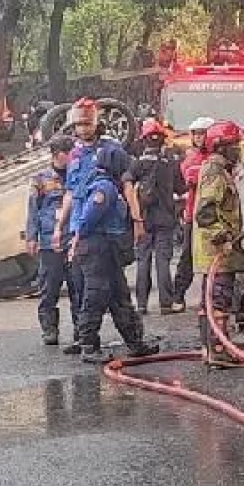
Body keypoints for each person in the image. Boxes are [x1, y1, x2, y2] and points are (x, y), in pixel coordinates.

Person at [51, 99, 139, 361]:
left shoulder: (112, 151)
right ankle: (88, 343)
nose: (82, 129)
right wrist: (61, 228)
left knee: (118, 292)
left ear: (97, 121)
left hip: (109, 231)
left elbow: (128, 185)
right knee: (93, 291)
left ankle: (135, 341)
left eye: (86, 123)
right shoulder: (75, 153)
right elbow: (71, 192)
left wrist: (138, 220)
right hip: (86, 233)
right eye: (77, 124)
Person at [65, 146, 159, 364]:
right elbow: (87, 220)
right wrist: (78, 240)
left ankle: (135, 342)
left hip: (107, 250)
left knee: (120, 296)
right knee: (96, 295)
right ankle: (88, 346)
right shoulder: (104, 188)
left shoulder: (108, 186)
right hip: (97, 248)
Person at [192, 119, 244, 368]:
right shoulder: (215, 172)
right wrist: (223, 237)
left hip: (214, 252)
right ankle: (216, 349)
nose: (239, 149)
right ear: (222, 146)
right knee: (219, 299)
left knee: (211, 299)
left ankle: (211, 348)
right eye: (235, 144)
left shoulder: (219, 170)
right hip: (217, 252)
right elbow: (205, 212)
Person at [124, 119, 186, 315]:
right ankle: (166, 304)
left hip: (144, 219)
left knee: (143, 261)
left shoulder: (138, 164)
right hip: (166, 218)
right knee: (163, 261)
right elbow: (181, 189)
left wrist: (135, 215)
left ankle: (141, 305)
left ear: (144, 140)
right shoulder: (171, 163)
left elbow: (126, 182)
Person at [28, 135, 79, 345]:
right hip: (50, 244)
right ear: (59, 155)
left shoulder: (78, 176)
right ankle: (49, 329)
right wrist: (32, 237)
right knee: (49, 288)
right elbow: (32, 209)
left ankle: (81, 330)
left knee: (79, 288)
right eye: (70, 154)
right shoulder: (40, 179)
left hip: (74, 240)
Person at [175, 117, 214, 306]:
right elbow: (185, 181)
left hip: (215, 217)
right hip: (193, 214)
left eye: (203, 134)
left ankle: (212, 300)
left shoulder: (218, 159)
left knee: (216, 260)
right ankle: (178, 296)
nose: (199, 138)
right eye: (196, 134)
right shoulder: (190, 159)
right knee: (187, 257)